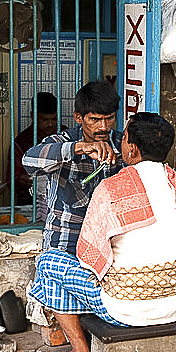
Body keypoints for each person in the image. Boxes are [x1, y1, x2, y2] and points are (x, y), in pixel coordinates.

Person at [29, 112, 176, 352]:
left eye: (123, 138)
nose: (120, 142)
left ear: (133, 149)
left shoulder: (111, 189)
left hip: (125, 310)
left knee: (48, 263)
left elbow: (90, 256)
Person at [22, 80, 123, 254]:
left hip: (109, 241)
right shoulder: (63, 141)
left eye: (110, 118)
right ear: (78, 117)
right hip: (66, 240)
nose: (104, 127)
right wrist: (80, 147)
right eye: (95, 120)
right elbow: (29, 161)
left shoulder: (122, 143)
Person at [8, 92, 60, 205]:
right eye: (45, 120)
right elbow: (11, 181)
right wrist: (24, 180)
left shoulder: (65, 136)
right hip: (30, 202)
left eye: (54, 119)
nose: (50, 124)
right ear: (33, 116)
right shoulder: (20, 143)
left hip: (61, 199)